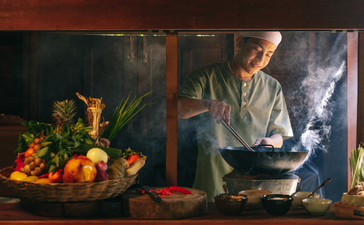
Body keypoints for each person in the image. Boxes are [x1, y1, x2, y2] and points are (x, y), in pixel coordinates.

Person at [177, 31, 294, 202]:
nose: (261, 59)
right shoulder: (204, 77)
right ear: (240, 43)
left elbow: (279, 136)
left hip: (254, 186)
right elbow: (179, 110)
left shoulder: (272, 86)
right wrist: (206, 104)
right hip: (212, 181)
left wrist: (270, 142)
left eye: (268, 54)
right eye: (256, 49)